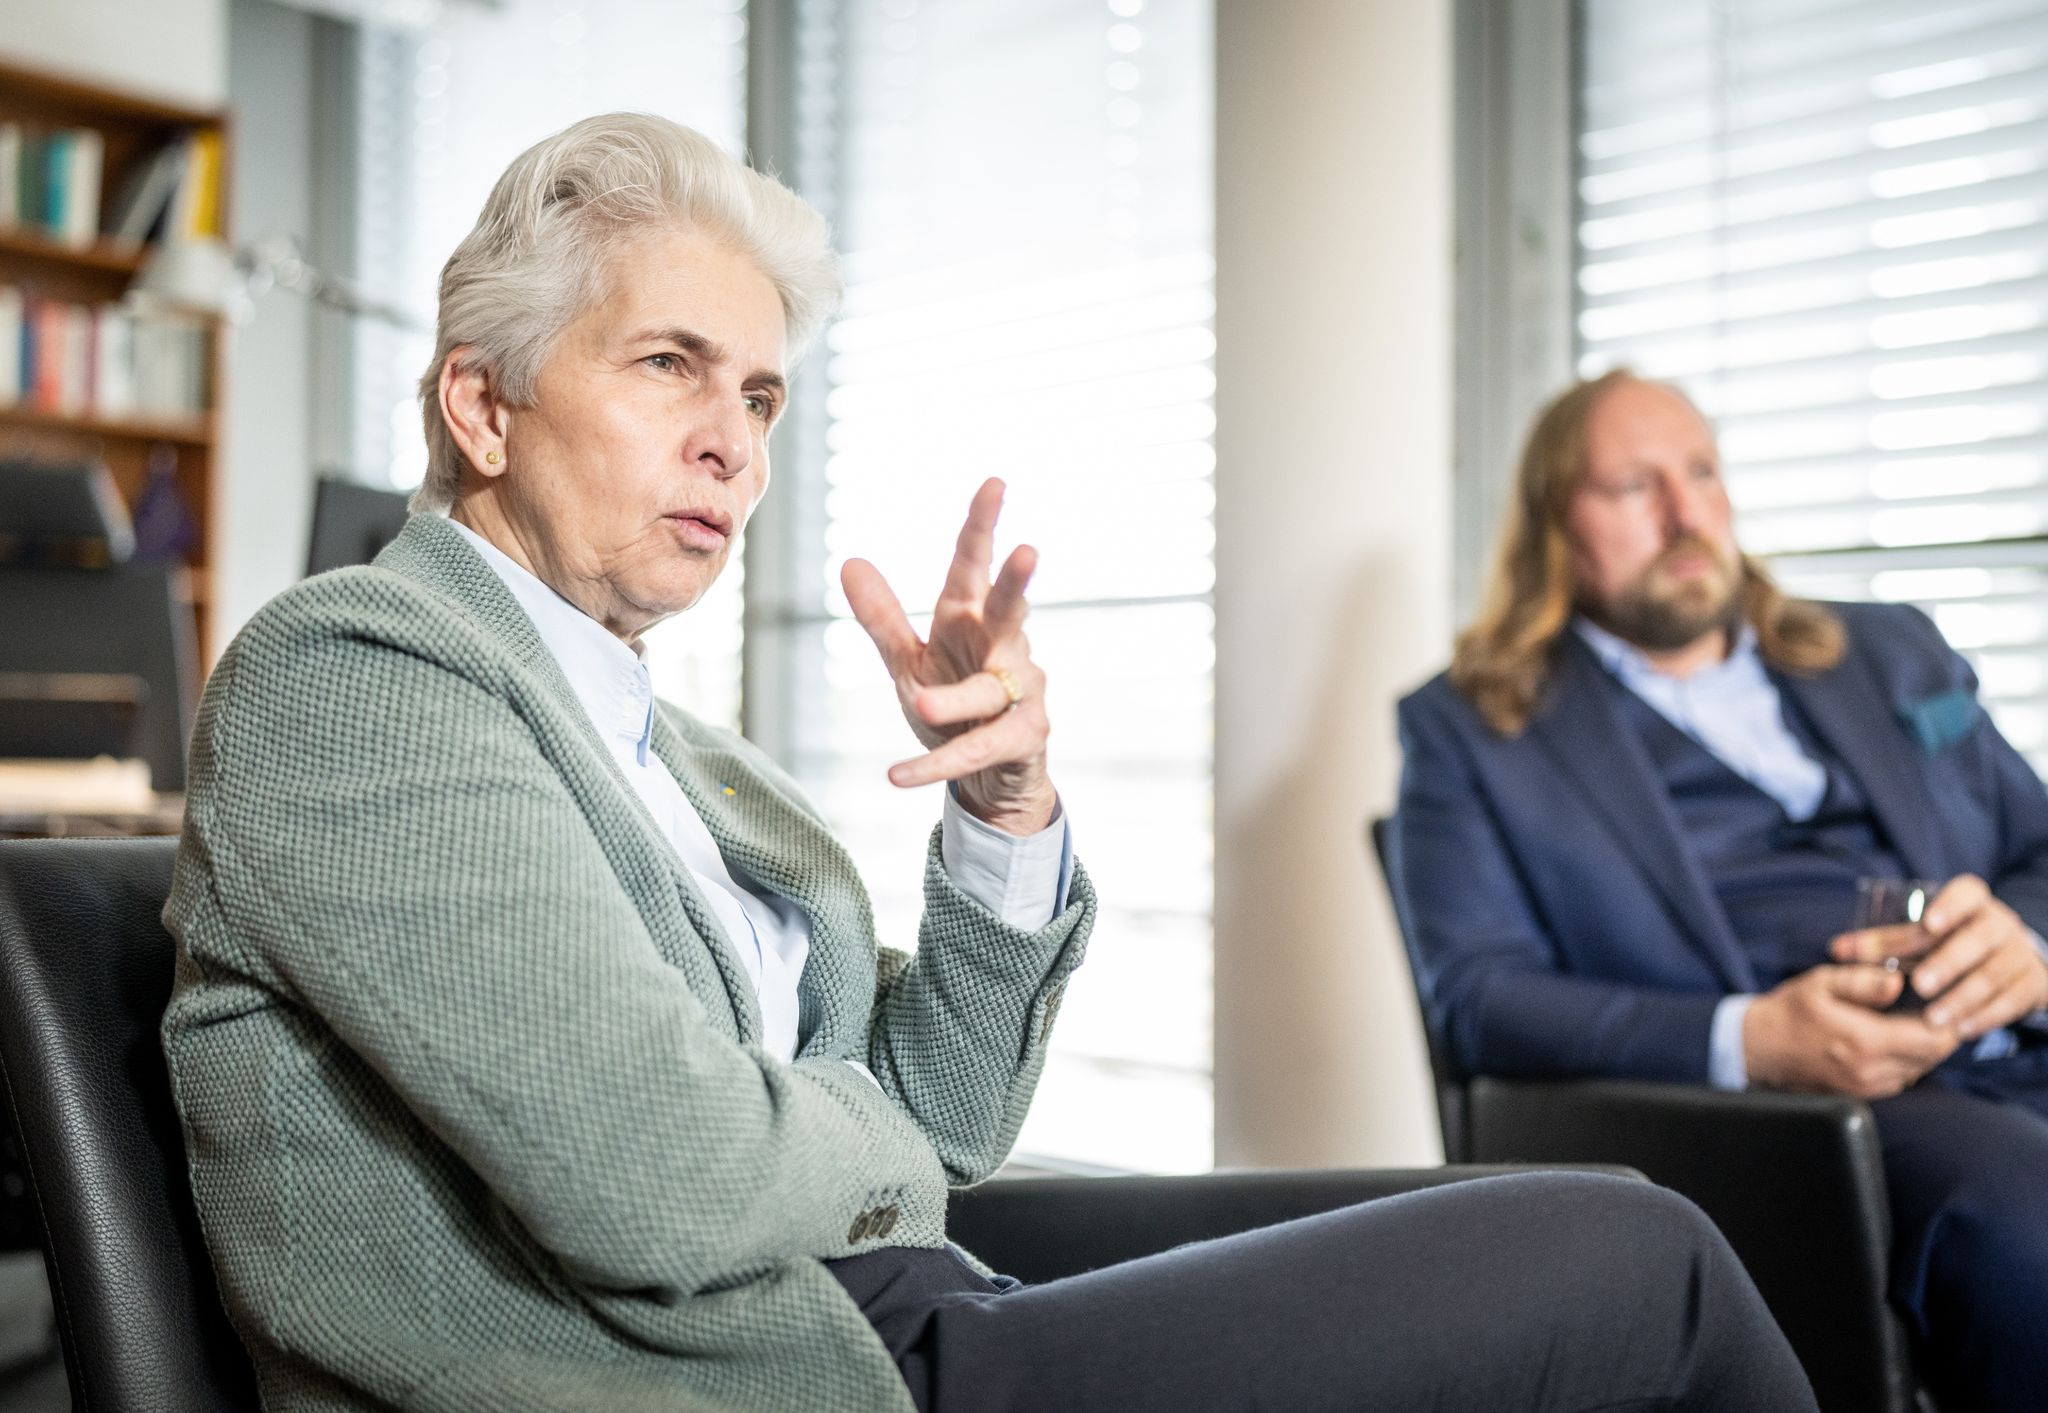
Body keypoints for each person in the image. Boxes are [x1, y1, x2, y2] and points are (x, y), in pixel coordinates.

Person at [161, 115, 1815, 1412]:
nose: (732, 440)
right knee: (1643, 1262)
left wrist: (1001, 813)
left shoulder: (677, 752)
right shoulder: (356, 674)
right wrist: (874, 1141)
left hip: (883, 1302)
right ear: (482, 405)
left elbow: (948, 1109)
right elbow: (662, 1177)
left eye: (761, 393)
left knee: (1592, 1221)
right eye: (668, 364)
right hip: (743, 1376)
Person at [1396, 368, 2048, 1411]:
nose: (1685, 514)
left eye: (1700, 473)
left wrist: (2027, 943)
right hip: (1816, 1119)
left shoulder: (1889, 648)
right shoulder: (1472, 726)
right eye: (1634, 486)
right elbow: (1476, 998)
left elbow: (2038, 848)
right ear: (1554, 522)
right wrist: (1752, 1040)